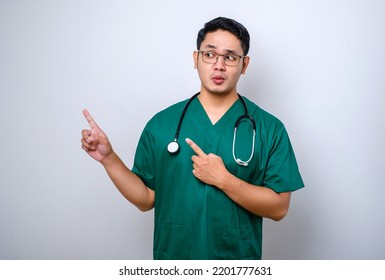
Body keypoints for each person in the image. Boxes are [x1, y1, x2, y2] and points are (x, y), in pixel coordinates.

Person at [81, 17, 304, 260]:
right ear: (196, 59)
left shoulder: (269, 129)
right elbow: (145, 198)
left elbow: (279, 207)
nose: (218, 65)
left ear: (244, 64)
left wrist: (224, 180)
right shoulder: (162, 124)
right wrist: (109, 159)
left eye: (230, 57)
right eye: (210, 55)